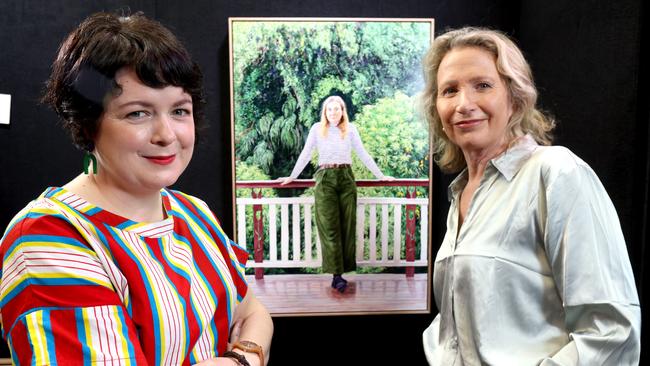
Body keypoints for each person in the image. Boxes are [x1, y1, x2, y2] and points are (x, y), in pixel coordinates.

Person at [0, 12, 273, 366]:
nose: (167, 135)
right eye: (137, 114)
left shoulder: (193, 213)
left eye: (179, 110)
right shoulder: (49, 236)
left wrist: (239, 359)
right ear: (88, 123)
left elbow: (254, 313)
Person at [420, 27, 640, 365]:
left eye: (482, 85)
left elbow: (610, 330)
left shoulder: (556, 173)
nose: (464, 104)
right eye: (450, 90)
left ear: (515, 96)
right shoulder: (460, 191)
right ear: (437, 107)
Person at [279, 95, 393, 292]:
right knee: (330, 227)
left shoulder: (350, 129)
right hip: (325, 179)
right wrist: (291, 176)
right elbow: (305, 154)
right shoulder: (317, 129)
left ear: (342, 111)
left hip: (346, 178)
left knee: (347, 226)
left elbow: (362, 153)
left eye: (337, 109)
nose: (333, 113)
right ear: (325, 111)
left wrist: (380, 175)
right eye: (329, 109)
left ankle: (344, 271)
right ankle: (336, 276)